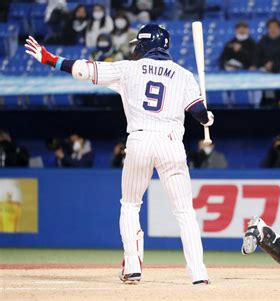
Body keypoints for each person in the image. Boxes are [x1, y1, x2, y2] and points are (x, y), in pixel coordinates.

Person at [25, 24, 212, 284]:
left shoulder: (128, 68)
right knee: (184, 213)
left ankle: (133, 266)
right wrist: (207, 118)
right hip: (172, 142)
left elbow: (82, 69)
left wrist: (50, 59)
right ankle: (199, 274)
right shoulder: (184, 75)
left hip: (139, 140)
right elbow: (199, 112)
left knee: (131, 204)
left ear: (144, 44)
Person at [252, 18, 280, 106]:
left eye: (275, 27)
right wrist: (263, 64)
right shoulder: (262, 41)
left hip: (278, 71)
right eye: (270, 27)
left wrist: (273, 65)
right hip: (263, 70)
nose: (272, 29)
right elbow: (257, 56)